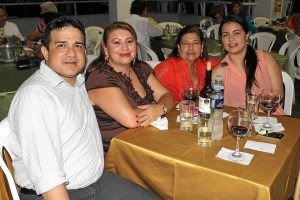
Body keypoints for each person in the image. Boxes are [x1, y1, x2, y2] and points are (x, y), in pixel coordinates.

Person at [7, 16, 161, 199]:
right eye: (61, 45)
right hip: (61, 193)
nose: (71, 53)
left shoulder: (78, 84)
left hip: (96, 181)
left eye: (78, 45)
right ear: (45, 52)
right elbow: (50, 183)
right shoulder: (37, 97)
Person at [85, 21, 174, 153]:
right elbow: (132, 120)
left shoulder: (140, 69)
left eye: (129, 41)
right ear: (105, 49)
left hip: (146, 142)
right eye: (117, 42)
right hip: (117, 154)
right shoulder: (100, 77)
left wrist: (160, 108)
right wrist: (158, 109)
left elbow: (167, 96)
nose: (125, 47)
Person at [212, 14, 285, 115]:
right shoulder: (219, 71)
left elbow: (279, 94)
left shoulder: (265, 58)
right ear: (221, 40)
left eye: (236, 33)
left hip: (270, 119)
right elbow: (216, 105)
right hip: (238, 124)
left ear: (247, 35)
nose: (231, 39)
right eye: (225, 35)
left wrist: (254, 108)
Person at [154, 25, 221, 104]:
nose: (191, 48)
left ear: (202, 47)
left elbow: (225, 63)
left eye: (195, 43)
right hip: (175, 114)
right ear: (179, 48)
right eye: (185, 43)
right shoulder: (168, 67)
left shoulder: (203, 63)